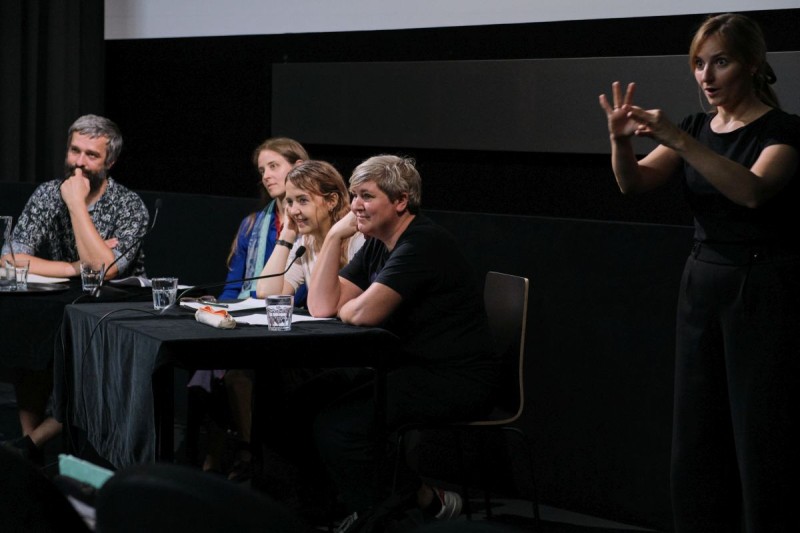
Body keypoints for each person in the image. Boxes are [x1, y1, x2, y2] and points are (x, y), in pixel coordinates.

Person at [598, 13, 800, 532]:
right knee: (698, 430)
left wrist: (681, 140)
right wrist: (622, 140)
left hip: (759, 288)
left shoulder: (784, 132)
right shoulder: (693, 127)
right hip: (701, 284)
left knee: (758, 431)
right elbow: (635, 184)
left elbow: (752, 191)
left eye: (721, 61)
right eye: (698, 63)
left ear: (752, 65)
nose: (706, 76)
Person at [307, 155, 500, 527]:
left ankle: (377, 517)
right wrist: (333, 236)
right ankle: (407, 496)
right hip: (409, 369)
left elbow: (361, 314)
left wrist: (350, 308)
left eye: (366, 196)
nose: (356, 206)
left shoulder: (423, 243)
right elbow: (321, 306)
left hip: (456, 378)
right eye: (353, 196)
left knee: (341, 427)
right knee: (305, 403)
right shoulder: (379, 242)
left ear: (400, 201)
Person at [0, 114, 149, 463]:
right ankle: (28, 445)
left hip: (111, 311)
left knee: (81, 350)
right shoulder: (47, 194)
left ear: (109, 161)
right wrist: (73, 268)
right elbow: (9, 257)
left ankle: (28, 449)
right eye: (74, 151)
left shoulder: (130, 206)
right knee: (29, 326)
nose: (79, 163)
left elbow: (105, 270)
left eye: (91, 155)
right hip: (61, 304)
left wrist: (76, 205)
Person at [188, 137, 307, 476]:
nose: (266, 176)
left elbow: (301, 290)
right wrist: (221, 314)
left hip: (288, 322)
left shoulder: (312, 223)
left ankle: (247, 452)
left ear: (297, 167)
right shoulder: (253, 224)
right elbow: (233, 286)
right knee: (204, 359)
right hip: (246, 315)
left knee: (235, 369)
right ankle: (225, 453)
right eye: (262, 170)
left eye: (274, 166)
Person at [255, 159, 365, 299]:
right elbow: (267, 293)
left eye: (303, 200)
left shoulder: (358, 241)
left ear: (331, 201)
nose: (293, 211)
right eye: (289, 202)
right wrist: (286, 235)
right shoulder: (305, 243)